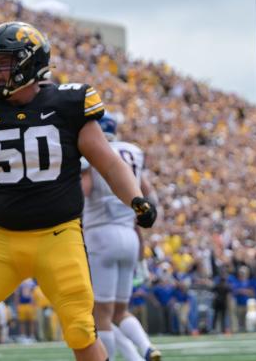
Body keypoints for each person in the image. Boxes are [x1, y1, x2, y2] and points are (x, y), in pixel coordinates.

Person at [0, 22, 157, 361]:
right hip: (0, 239)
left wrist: (136, 199)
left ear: (30, 62)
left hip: (58, 236)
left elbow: (107, 161)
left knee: (80, 328)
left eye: (4, 62)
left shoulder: (68, 103)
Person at [81, 112, 161, 359]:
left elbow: (83, 193)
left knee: (100, 315)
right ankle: (145, 349)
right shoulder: (133, 152)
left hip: (101, 234)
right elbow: (150, 197)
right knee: (119, 311)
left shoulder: (94, 153)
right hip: (129, 234)